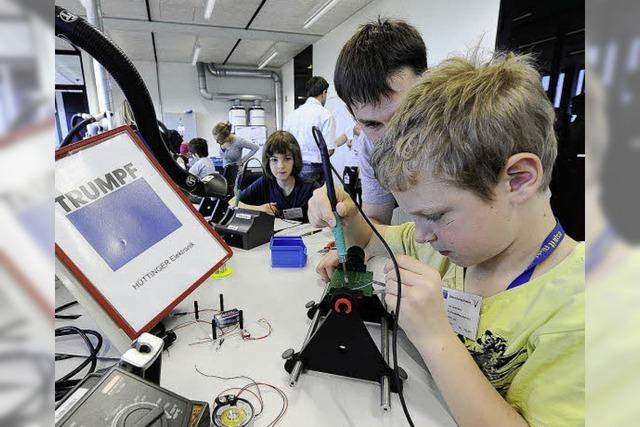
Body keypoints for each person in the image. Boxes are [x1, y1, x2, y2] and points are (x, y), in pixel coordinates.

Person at [308, 53, 584, 426]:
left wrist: (434, 336)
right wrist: (344, 211)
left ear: (518, 179)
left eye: (435, 215)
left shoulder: (583, 313)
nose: (421, 233)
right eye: (414, 215)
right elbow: (376, 239)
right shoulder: (446, 247)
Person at [333, 18, 428, 224]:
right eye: (372, 124)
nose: (392, 139)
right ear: (352, 115)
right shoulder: (369, 146)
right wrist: (352, 227)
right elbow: (376, 221)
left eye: (403, 116)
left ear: (428, 84)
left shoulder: (469, 126)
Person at [229, 131, 319, 222]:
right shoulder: (265, 182)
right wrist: (259, 209)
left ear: (295, 160)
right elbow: (233, 202)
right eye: (274, 160)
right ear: (268, 162)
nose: (280, 166)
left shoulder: (310, 187)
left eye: (287, 158)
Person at [284, 76, 337, 185]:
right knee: (314, 201)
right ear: (324, 92)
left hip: (293, 166)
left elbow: (284, 143)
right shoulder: (325, 114)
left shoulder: (292, 115)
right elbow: (329, 150)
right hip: (315, 168)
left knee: (297, 199)